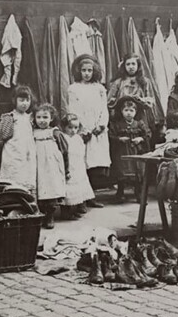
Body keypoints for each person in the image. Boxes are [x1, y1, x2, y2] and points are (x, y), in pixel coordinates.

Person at [68, 54, 111, 189]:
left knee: (96, 162)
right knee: (82, 161)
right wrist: (82, 128)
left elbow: (104, 108)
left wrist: (101, 125)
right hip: (83, 129)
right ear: (79, 71)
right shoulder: (73, 89)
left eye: (90, 70)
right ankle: (84, 195)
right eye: (84, 70)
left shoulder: (99, 88)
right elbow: (73, 110)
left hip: (97, 129)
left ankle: (93, 194)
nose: (87, 74)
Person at [31, 103, 69, 229]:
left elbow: (64, 151)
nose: (42, 121)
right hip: (38, 165)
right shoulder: (32, 133)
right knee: (40, 189)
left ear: (51, 118)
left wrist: (66, 168)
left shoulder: (55, 132)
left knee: (51, 188)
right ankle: (41, 214)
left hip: (51, 166)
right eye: (39, 117)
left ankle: (50, 215)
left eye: (45, 117)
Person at [109, 96, 152, 202]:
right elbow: (110, 135)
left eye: (131, 111)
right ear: (121, 111)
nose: (129, 113)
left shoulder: (139, 123)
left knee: (137, 171)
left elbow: (148, 134)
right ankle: (120, 192)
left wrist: (141, 138)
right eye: (126, 110)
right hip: (122, 151)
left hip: (136, 151)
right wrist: (119, 139)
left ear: (135, 112)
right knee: (122, 172)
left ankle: (138, 192)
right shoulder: (117, 124)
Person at [0, 84, 37, 192]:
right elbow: (0, 137)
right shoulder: (10, 117)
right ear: (15, 100)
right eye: (21, 100)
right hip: (13, 153)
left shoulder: (30, 118)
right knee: (13, 177)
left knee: (27, 177)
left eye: (27, 100)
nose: (25, 103)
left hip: (27, 153)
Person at [61, 113, 100, 218]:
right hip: (69, 166)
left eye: (76, 127)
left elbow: (81, 152)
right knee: (68, 188)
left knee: (79, 185)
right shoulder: (63, 138)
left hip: (78, 165)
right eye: (70, 127)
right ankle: (65, 211)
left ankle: (79, 205)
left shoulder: (78, 138)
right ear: (64, 126)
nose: (73, 130)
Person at [106, 53, 157, 131]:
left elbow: (150, 100)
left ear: (138, 66)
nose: (131, 67)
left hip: (139, 117)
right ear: (124, 66)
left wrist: (142, 100)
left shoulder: (144, 82)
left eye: (133, 64)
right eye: (128, 64)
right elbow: (109, 101)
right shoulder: (118, 82)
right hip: (121, 116)